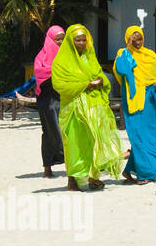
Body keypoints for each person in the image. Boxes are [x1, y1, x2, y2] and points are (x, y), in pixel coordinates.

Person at [51, 25, 124, 191]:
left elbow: (102, 77)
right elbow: (59, 85)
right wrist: (86, 84)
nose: (82, 43)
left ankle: (92, 177)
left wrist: (100, 81)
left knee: (94, 142)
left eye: (84, 39)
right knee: (75, 143)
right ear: (71, 41)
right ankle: (72, 180)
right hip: (74, 111)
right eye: (78, 40)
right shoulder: (61, 62)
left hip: (94, 108)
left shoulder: (90, 58)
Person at [113, 25, 156, 185]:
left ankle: (129, 170)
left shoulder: (151, 55)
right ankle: (143, 174)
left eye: (139, 38)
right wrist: (127, 46)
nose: (137, 42)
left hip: (149, 100)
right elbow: (120, 70)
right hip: (133, 99)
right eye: (133, 39)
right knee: (139, 136)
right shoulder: (123, 54)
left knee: (152, 136)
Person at [33, 26, 66, 178]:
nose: (60, 42)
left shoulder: (67, 55)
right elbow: (40, 74)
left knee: (66, 132)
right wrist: (56, 71)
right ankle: (48, 166)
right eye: (57, 39)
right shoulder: (41, 57)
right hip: (48, 100)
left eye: (63, 38)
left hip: (64, 97)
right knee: (49, 132)